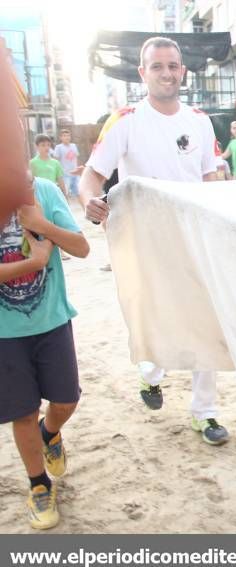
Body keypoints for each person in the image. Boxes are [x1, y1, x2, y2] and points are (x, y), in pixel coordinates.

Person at [78, 36, 230, 445]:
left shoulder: (199, 120)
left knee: (206, 320)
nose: (166, 73)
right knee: (151, 316)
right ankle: (150, 376)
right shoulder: (125, 119)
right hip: (142, 240)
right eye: (157, 66)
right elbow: (92, 175)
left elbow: (211, 178)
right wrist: (89, 200)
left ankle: (206, 412)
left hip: (193, 237)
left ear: (183, 71)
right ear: (142, 73)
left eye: (173, 66)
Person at [1, 171, 90, 529]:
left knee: (66, 401)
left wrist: (40, 224)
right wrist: (33, 263)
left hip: (52, 321)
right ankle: (39, 483)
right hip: (5, 333)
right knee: (22, 412)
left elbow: (82, 248)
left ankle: (49, 433)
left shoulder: (45, 192)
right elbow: (37, 260)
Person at [52, 130, 80, 198]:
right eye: (64, 136)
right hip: (65, 175)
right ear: (61, 137)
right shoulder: (58, 147)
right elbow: (56, 161)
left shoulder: (74, 146)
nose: (67, 137)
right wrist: (57, 175)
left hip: (75, 174)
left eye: (68, 135)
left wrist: (78, 170)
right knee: (65, 194)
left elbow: (76, 158)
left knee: (79, 194)